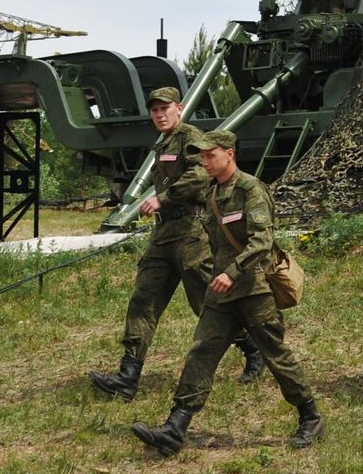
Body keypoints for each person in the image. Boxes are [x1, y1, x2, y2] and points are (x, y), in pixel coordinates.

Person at [132, 129, 322, 454]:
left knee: (275, 354)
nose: (204, 161)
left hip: (252, 289)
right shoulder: (211, 193)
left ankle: (310, 416)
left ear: (229, 154)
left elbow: (262, 240)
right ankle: (175, 427)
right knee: (201, 352)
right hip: (221, 294)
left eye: (210, 156)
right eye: (201, 156)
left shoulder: (251, 189)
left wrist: (232, 273)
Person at [88, 88, 265, 400]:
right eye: (154, 110)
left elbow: (202, 174)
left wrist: (162, 198)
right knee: (144, 299)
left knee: (206, 303)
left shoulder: (190, 137)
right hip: (163, 235)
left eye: (164, 108)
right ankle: (128, 377)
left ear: (179, 108)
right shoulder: (163, 144)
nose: (159, 114)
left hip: (190, 234)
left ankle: (254, 349)